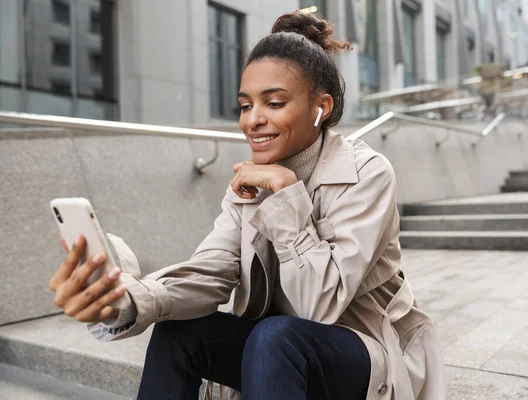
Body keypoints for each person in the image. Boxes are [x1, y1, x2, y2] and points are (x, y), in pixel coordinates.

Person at [48, 11, 446, 400]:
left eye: (273, 103)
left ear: (320, 108)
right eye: (245, 105)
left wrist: (287, 196)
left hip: (367, 354)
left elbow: (318, 305)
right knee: (180, 331)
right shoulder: (251, 180)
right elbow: (213, 270)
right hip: (274, 351)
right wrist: (132, 300)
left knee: (277, 335)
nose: (252, 120)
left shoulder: (367, 173)